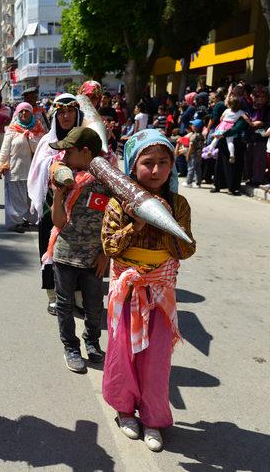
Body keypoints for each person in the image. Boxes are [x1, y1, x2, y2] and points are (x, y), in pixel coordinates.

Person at [101, 129, 195, 452]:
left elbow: (187, 249)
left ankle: (153, 417)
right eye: (147, 163)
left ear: (172, 166)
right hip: (127, 290)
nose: (155, 171)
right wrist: (136, 224)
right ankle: (125, 410)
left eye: (163, 163)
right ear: (132, 165)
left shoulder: (179, 204)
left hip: (161, 291)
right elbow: (109, 246)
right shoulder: (118, 203)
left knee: (157, 357)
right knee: (123, 351)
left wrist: (164, 221)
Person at [43, 127, 110, 373]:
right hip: (65, 254)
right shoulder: (65, 177)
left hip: (95, 258)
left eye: (68, 152)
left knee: (94, 305)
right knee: (64, 304)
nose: (63, 157)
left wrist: (106, 253)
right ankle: (71, 347)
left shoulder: (108, 181)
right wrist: (59, 196)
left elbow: (114, 222)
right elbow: (59, 223)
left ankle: (92, 342)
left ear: (85, 152)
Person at [27, 93, 83, 315]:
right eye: (61, 112)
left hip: (79, 207)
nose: (66, 116)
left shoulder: (86, 138)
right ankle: (52, 294)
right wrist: (56, 161)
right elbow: (37, 169)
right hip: (52, 205)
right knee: (48, 248)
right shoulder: (46, 142)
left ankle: (78, 295)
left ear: (77, 114)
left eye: (70, 111)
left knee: (79, 250)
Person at [0, 102, 45, 232]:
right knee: (15, 197)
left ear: (31, 113)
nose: (24, 114)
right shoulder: (13, 128)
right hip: (15, 169)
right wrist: (2, 164)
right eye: (21, 112)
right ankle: (16, 222)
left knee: (32, 197)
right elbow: (5, 148)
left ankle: (32, 220)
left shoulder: (38, 127)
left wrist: (30, 137)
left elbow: (40, 148)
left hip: (33, 170)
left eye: (27, 111)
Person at [210, 91, 252, 196]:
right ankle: (219, 185)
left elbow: (238, 128)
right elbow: (223, 121)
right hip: (226, 140)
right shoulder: (235, 112)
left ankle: (231, 188)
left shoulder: (241, 114)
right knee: (221, 165)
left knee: (231, 166)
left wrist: (223, 132)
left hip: (234, 141)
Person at [183, 120, 205, 188]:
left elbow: (191, 147)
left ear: (196, 127)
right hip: (199, 154)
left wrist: (188, 155)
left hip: (193, 154)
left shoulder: (194, 136)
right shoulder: (201, 135)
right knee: (198, 168)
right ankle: (198, 183)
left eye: (193, 125)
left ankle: (188, 182)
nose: (191, 126)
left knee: (191, 168)